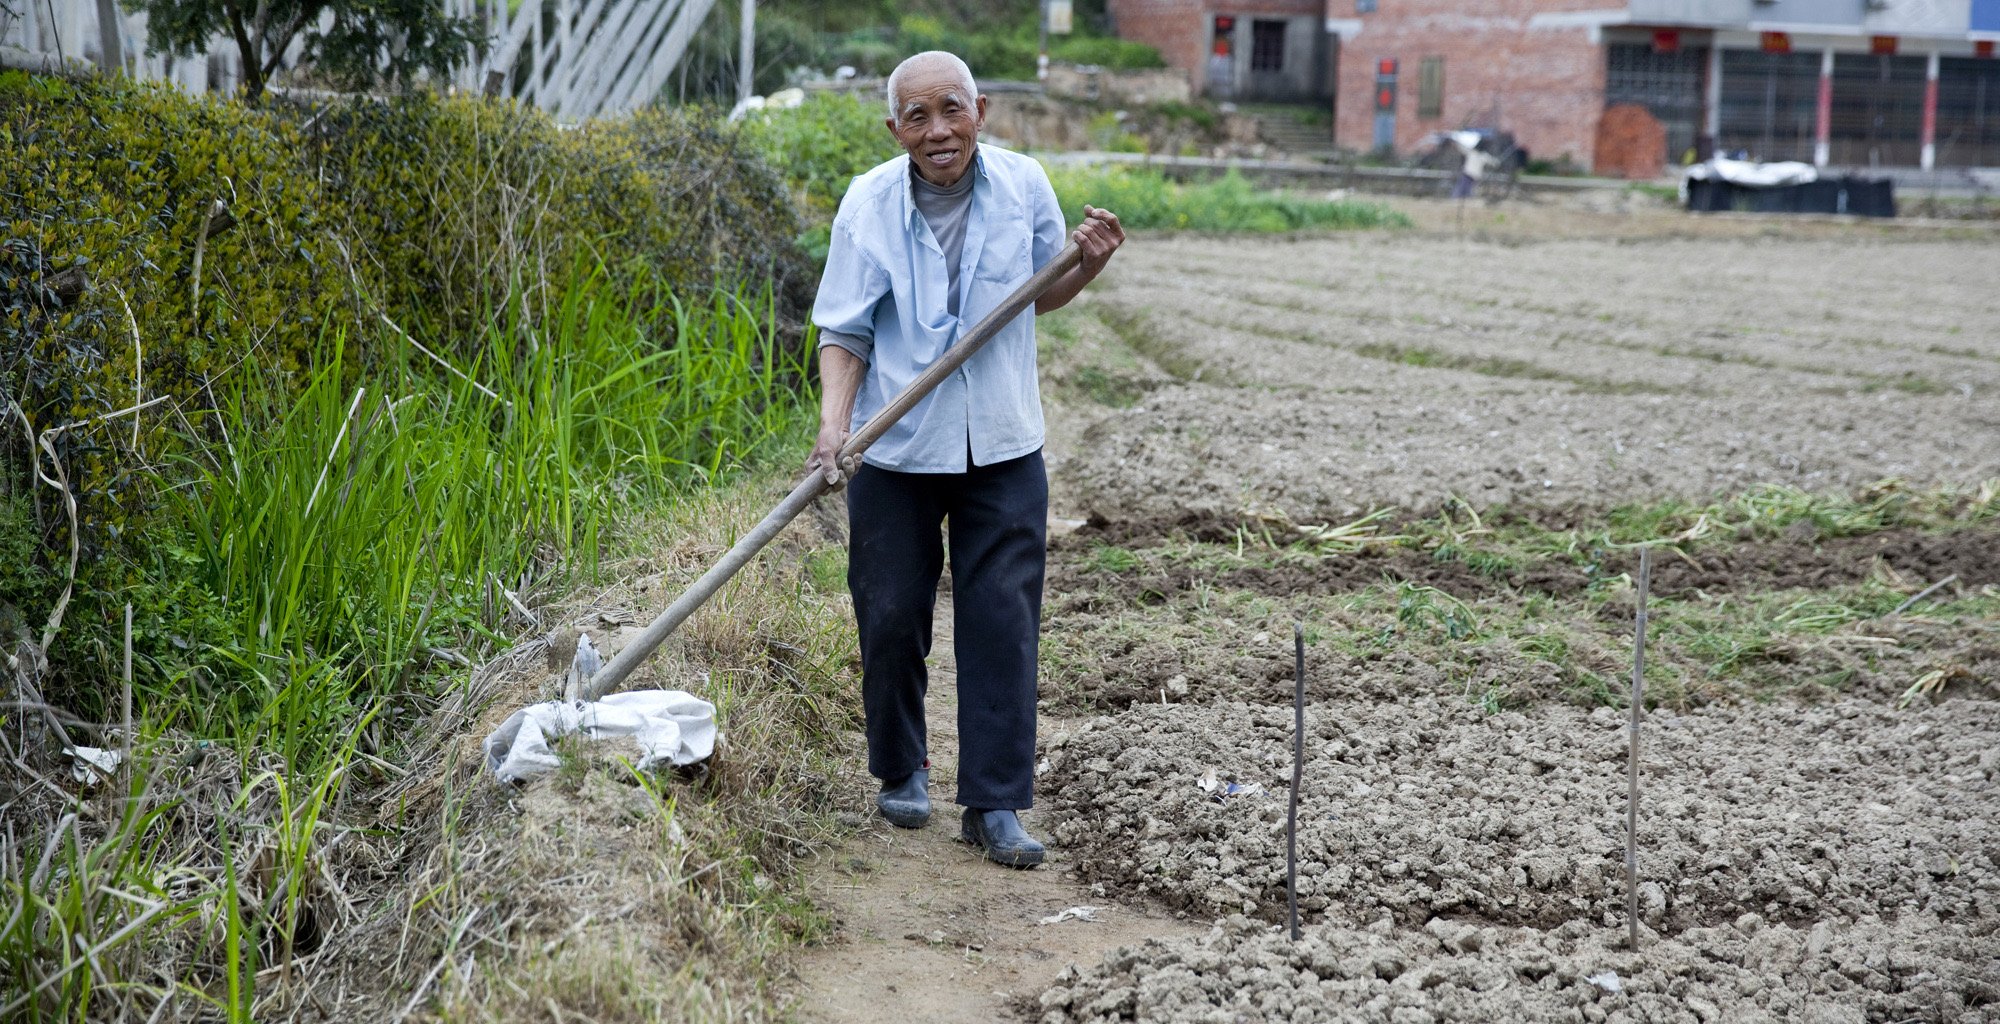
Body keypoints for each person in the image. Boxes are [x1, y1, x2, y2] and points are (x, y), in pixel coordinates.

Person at [805, 51, 1124, 868]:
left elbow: (1043, 289)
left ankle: (994, 803)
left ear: (980, 109)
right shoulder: (868, 204)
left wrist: (1085, 265)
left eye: (952, 110)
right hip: (898, 443)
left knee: (1003, 623)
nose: (938, 131)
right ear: (895, 129)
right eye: (918, 117)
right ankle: (900, 767)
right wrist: (835, 428)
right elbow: (844, 328)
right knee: (888, 612)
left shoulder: (1024, 187)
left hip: (1004, 440)